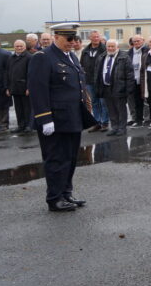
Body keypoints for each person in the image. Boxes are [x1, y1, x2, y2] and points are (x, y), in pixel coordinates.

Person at [27, 23, 90, 212]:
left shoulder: (70, 56)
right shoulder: (43, 58)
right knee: (56, 159)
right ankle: (54, 198)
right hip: (54, 120)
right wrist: (45, 118)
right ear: (56, 37)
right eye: (68, 39)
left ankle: (66, 193)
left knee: (70, 158)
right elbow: (38, 90)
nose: (72, 43)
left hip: (72, 117)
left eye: (75, 39)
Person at [96, 38, 135, 136]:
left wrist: (128, 90)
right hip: (106, 87)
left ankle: (122, 128)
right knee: (111, 109)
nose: (110, 48)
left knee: (121, 109)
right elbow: (97, 72)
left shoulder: (125, 57)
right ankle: (114, 127)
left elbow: (130, 74)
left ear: (117, 47)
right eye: (108, 46)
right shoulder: (102, 57)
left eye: (112, 46)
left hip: (119, 87)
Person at [80, 31, 109, 131]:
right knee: (94, 102)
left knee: (103, 102)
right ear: (90, 38)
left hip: (101, 81)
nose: (96, 38)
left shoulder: (105, 49)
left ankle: (105, 122)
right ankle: (97, 122)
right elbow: (81, 65)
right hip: (89, 81)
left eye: (97, 37)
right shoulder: (85, 51)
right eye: (94, 37)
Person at [8, 39, 35, 133]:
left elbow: (31, 74)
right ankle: (21, 125)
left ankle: (29, 125)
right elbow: (9, 73)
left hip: (25, 88)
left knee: (27, 108)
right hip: (15, 87)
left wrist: (29, 87)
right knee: (18, 108)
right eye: (17, 46)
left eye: (21, 46)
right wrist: (8, 87)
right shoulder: (11, 58)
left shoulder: (29, 57)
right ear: (14, 47)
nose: (19, 48)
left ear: (24, 47)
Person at [127, 35, 146, 126]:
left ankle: (147, 119)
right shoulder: (129, 52)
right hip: (132, 80)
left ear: (143, 41)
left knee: (145, 100)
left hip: (144, 80)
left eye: (138, 41)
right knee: (133, 101)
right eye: (134, 41)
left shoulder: (147, 50)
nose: (136, 43)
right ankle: (135, 118)